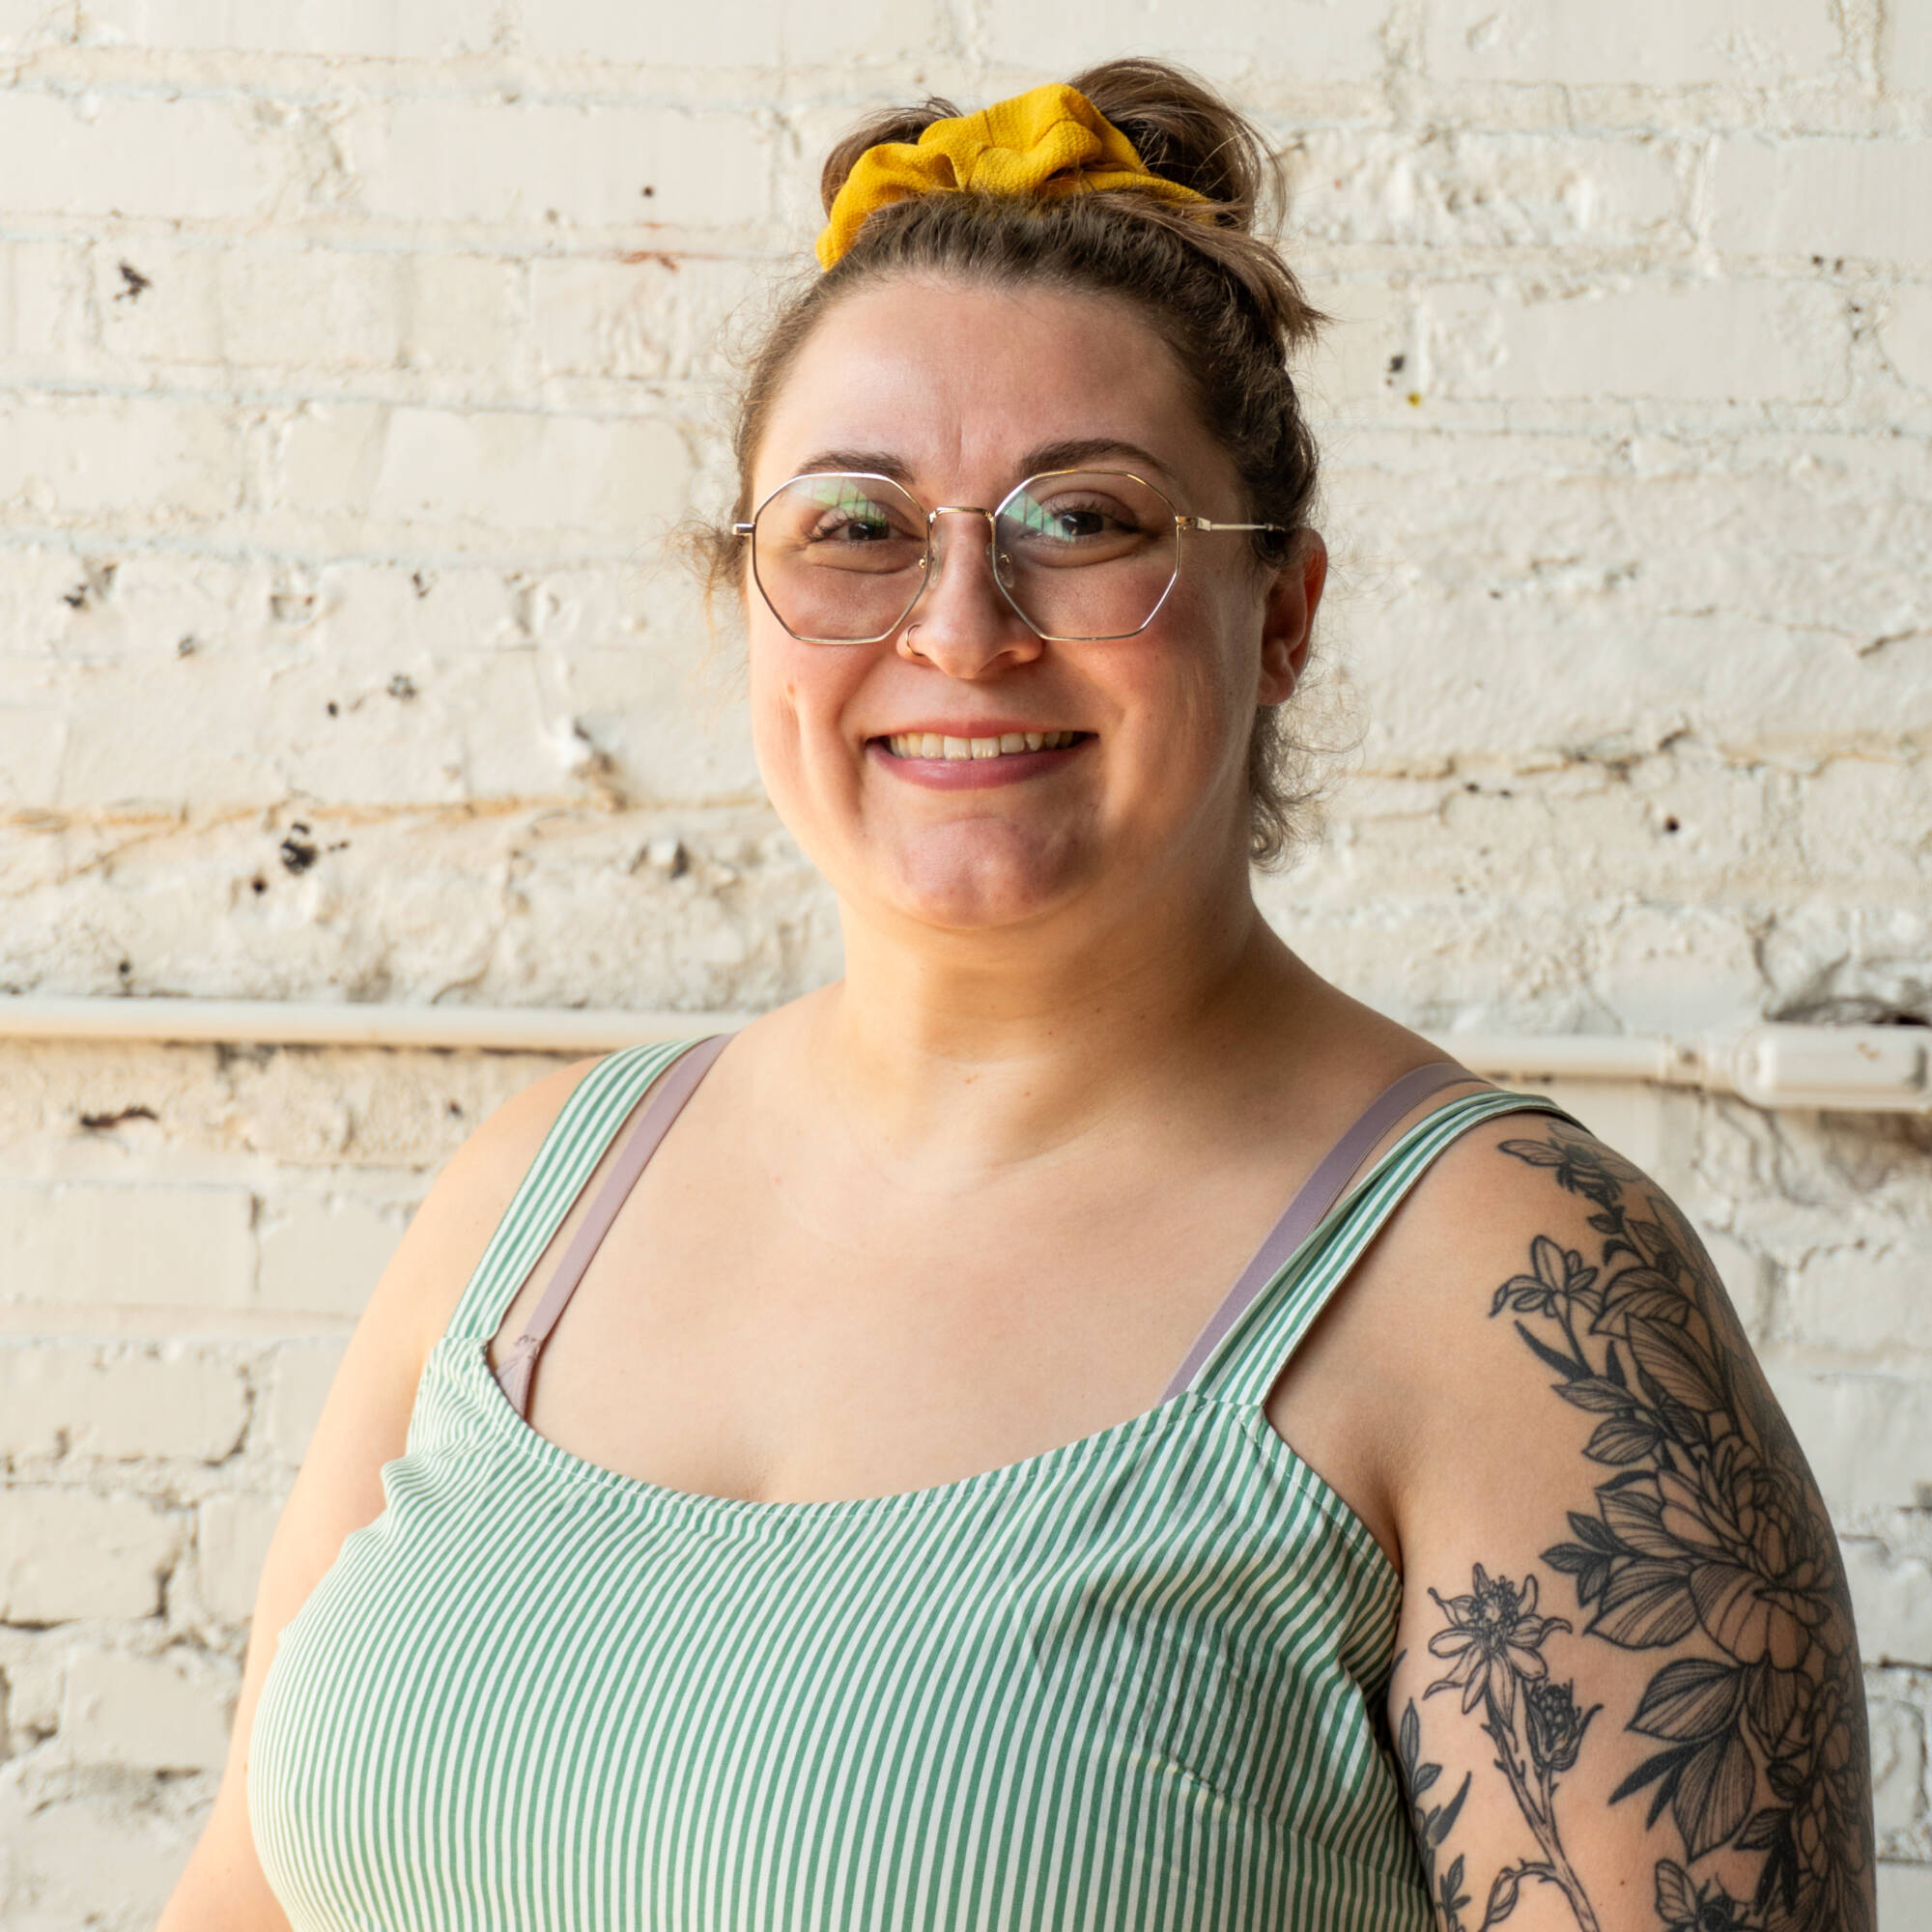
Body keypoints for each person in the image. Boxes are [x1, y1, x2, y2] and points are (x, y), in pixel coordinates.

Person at [158, 59, 1873, 1932]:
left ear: (1284, 613)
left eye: (1086, 520)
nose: (960, 630)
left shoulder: (1509, 1295)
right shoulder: (537, 1194)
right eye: (853, 527)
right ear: (747, 601)